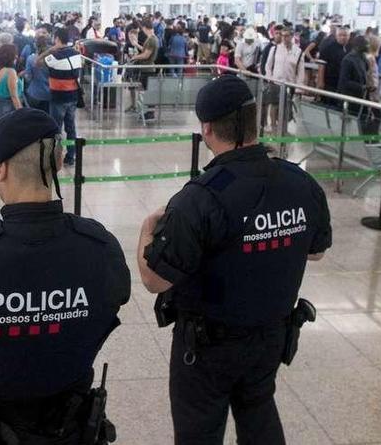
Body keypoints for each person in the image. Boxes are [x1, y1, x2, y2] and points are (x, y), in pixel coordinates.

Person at [137, 76, 331, 445]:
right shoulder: (300, 182)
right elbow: (317, 251)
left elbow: (155, 280)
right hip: (271, 335)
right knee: (259, 413)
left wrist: (147, 229)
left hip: (208, 347)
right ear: (255, 120)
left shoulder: (202, 197)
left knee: (199, 429)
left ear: (207, 129)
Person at [0, 108, 129, 444]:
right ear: (58, 162)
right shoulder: (101, 247)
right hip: (72, 426)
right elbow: (116, 299)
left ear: (0, 168)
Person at [41, 28, 82, 165]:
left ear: (57, 39)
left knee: (56, 127)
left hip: (58, 97)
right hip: (73, 96)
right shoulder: (77, 54)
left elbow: (37, 62)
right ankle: (71, 156)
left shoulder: (54, 57)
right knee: (71, 127)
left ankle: (56, 156)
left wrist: (51, 49)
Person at [264, 27, 304, 133]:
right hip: (276, 82)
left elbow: (300, 71)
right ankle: (273, 126)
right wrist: (270, 78)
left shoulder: (298, 51)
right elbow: (268, 66)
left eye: (286, 36)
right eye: (282, 36)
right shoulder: (275, 49)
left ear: (291, 36)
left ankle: (283, 128)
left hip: (289, 84)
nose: (284, 38)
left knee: (286, 107)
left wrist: (299, 88)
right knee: (274, 105)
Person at [129, 19, 159, 122]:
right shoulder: (152, 39)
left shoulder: (151, 40)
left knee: (147, 91)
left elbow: (146, 55)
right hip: (147, 68)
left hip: (148, 69)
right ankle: (148, 112)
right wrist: (137, 45)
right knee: (147, 91)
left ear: (146, 28)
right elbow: (145, 51)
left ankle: (150, 113)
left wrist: (135, 57)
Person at [0, 43, 23, 120]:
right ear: (10, 56)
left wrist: (0, 94)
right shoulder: (11, 72)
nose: (16, 56)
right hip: (10, 107)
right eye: (15, 54)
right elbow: (14, 96)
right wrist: (22, 113)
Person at [317, 26, 350, 106]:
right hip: (330, 82)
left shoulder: (350, 48)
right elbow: (321, 65)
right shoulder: (328, 47)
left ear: (349, 36)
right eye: (340, 35)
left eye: (345, 35)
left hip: (342, 83)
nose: (342, 37)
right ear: (336, 36)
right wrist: (320, 82)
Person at [23, 36, 52, 114]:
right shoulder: (52, 59)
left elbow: (28, 77)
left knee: (34, 117)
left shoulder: (30, 59)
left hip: (34, 93)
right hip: (50, 93)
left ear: (35, 45)